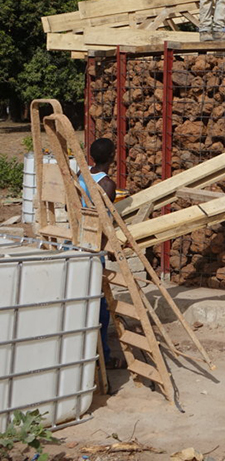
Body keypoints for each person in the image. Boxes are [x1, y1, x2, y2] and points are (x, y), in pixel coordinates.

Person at [76, 138, 122, 368]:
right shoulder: (107, 185)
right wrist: (111, 247)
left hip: (77, 240)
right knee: (99, 307)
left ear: (92, 157)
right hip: (94, 247)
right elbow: (104, 221)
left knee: (79, 300)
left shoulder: (80, 176)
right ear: (112, 156)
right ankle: (102, 357)